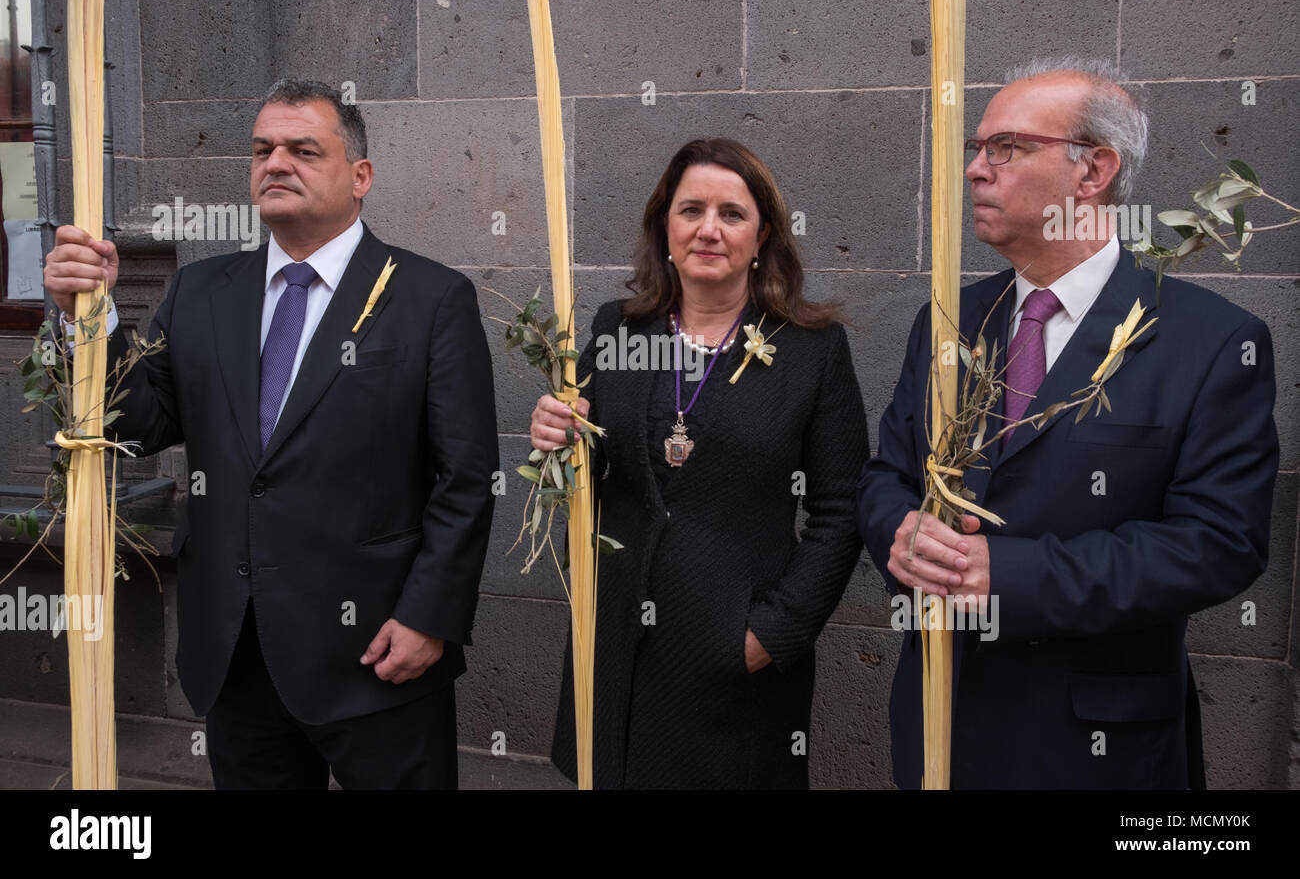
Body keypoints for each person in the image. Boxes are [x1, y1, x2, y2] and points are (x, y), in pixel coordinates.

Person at [43, 79, 499, 789]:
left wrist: (428, 617)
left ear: (360, 177)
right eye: (262, 149)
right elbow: (132, 423)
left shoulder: (429, 299)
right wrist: (88, 322)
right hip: (236, 651)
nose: (275, 163)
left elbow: (466, 477)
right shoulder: (201, 292)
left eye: (302, 149)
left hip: (377, 652)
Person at [857, 56, 1277, 789]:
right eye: (974, 150)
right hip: (940, 729)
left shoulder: (1208, 343)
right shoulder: (950, 323)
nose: (976, 171)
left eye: (1007, 148)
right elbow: (890, 474)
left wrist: (1009, 576)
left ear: (1094, 172)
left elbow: (1219, 543)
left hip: (1099, 749)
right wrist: (901, 534)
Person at [530, 137, 868, 788]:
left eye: (731, 213)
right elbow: (591, 470)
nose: (708, 229)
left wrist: (773, 632)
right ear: (665, 226)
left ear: (763, 232)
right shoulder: (618, 330)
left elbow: (841, 508)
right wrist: (558, 437)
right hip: (618, 652)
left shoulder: (809, 349)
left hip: (735, 662)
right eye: (690, 210)